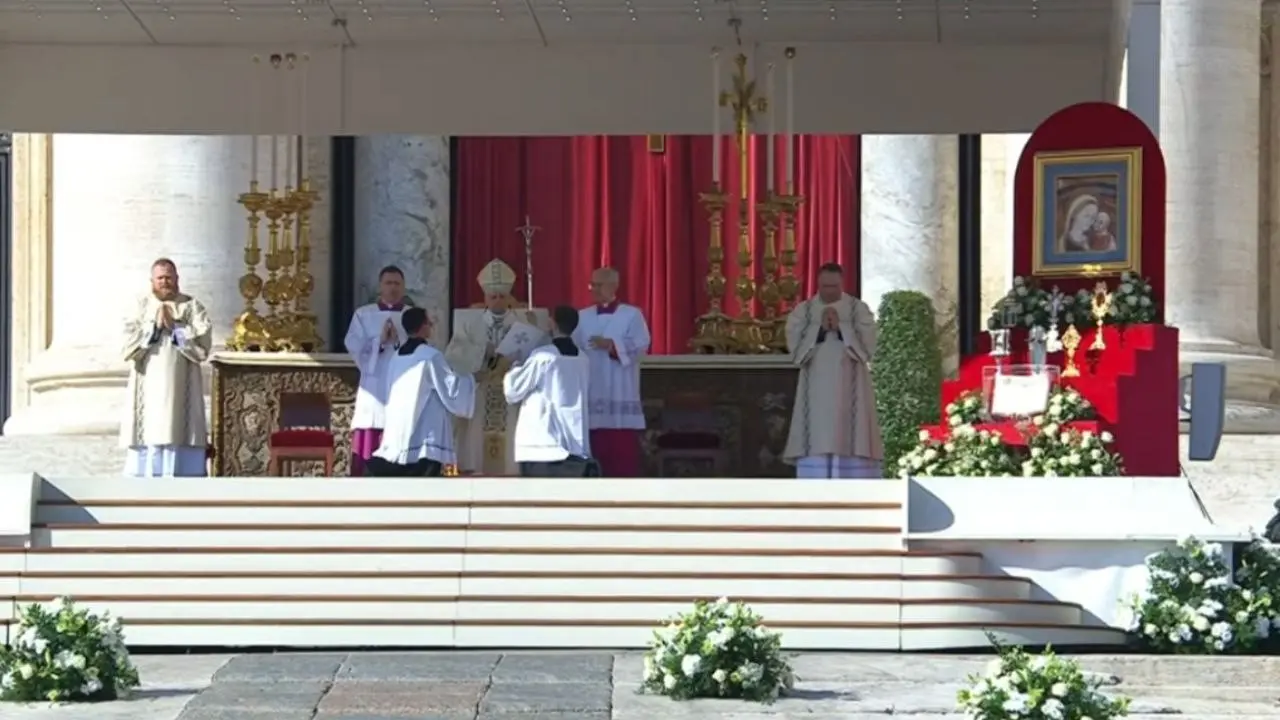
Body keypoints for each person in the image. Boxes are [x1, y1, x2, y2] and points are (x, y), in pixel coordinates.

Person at [782, 262, 884, 479]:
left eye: (834, 286)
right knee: (817, 431)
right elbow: (795, 350)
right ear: (818, 284)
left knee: (851, 427)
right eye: (825, 286)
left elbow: (868, 348)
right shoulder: (805, 310)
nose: (829, 291)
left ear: (842, 283)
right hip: (815, 384)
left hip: (851, 382)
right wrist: (818, 329)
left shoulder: (858, 309)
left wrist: (842, 328)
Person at [445, 258, 543, 476]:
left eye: (502, 296)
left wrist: (516, 360)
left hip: (511, 394)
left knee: (511, 442)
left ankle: (512, 472)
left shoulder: (523, 324)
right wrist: (482, 350)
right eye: (493, 297)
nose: (498, 301)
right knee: (477, 441)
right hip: (481, 390)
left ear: (509, 297)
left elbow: (538, 358)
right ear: (485, 298)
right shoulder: (470, 325)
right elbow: (454, 355)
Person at [120, 258, 213, 477]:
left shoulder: (191, 306)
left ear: (177, 279)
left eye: (169, 277)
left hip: (181, 384)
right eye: (160, 278)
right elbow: (127, 345)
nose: (165, 282)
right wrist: (153, 327)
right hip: (147, 380)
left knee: (177, 423)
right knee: (151, 427)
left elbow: (202, 345)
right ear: (152, 280)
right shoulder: (141, 306)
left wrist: (176, 328)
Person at [368, 307, 477, 477]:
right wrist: (471, 380)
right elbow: (451, 388)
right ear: (422, 327)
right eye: (428, 322)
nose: (431, 325)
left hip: (399, 427)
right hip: (425, 429)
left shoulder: (396, 356)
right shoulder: (431, 356)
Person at [573, 266, 650, 477]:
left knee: (621, 449)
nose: (593, 289)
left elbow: (642, 344)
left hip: (621, 387)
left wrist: (612, 345)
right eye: (592, 284)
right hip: (592, 386)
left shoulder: (632, 315)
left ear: (613, 286)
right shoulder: (582, 317)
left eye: (598, 285)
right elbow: (573, 348)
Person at [504, 305, 596, 477]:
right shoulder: (583, 358)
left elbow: (514, 389)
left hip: (543, 442)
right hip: (574, 442)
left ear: (551, 323)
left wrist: (515, 365)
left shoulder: (543, 357)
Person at [343, 265, 409, 476]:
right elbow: (353, 345)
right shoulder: (364, 314)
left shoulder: (411, 315)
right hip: (374, 382)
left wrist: (399, 340)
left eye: (397, 283)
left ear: (404, 287)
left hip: (402, 382)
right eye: (388, 283)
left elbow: (422, 346)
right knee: (373, 422)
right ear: (380, 286)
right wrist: (378, 342)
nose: (393, 288)